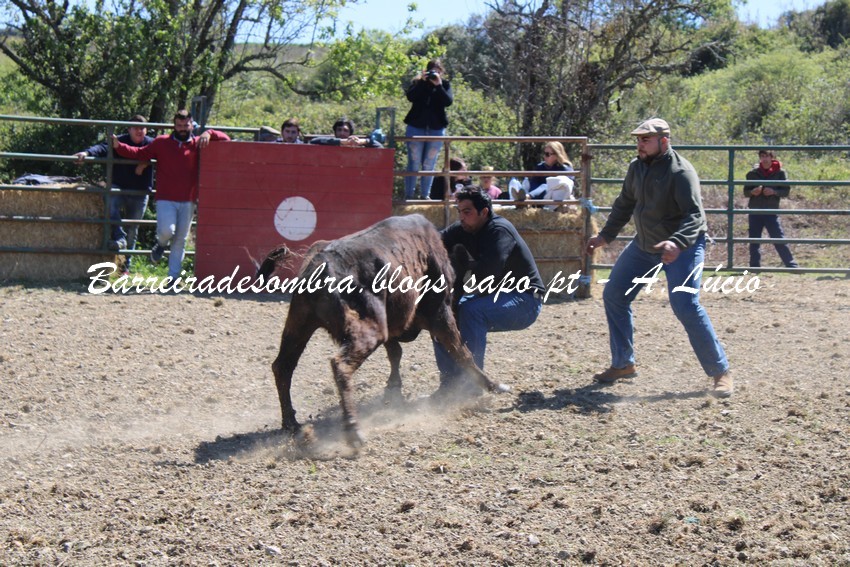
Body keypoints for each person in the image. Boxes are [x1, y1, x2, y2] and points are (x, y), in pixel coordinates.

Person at [585, 118, 733, 397]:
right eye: (638, 140)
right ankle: (623, 363)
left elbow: (694, 215)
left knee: (685, 304)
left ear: (663, 141)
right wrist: (606, 235)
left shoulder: (681, 172)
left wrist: (677, 242)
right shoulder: (636, 167)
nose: (639, 145)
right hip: (646, 244)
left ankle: (720, 371)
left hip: (683, 246)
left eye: (645, 140)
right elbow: (625, 204)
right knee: (614, 294)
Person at [433, 186, 545, 398]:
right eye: (459, 211)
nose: (461, 216)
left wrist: (463, 269)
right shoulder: (464, 228)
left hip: (526, 300)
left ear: (484, 212)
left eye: (467, 211)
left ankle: (471, 387)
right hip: (497, 297)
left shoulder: (499, 230)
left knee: (471, 311)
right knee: (442, 317)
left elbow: (489, 272)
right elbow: (436, 240)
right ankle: (449, 386)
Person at [111, 109, 230, 281]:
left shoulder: (198, 143)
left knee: (180, 239)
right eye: (179, 125)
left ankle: (173, 278)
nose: (182, 128)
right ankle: (160, 244)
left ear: (191, 125)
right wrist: (118, 146)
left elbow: (226, 139)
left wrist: (209, 132)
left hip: (188, 199)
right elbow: (140, 153)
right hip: (165, 198)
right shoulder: (162, 142)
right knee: (167, 231)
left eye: (186, 125)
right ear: (174, 125)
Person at [74, 115, 154, 273]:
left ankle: (125, 268)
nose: (139, 131)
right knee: (110, 202)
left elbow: (162, 153)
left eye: (142, 128)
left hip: (140, 191)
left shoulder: (151, 143)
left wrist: (145, 162)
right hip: (119, 187)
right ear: (129, 129)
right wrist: (86, 153)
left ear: (146, 130)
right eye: (135, 128)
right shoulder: (119, 140)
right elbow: (101, 148)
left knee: (133, 228)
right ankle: (119, 237)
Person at [403, 59, 453, 199]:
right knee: (414, 161)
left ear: (442, 72)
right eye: (432, 71)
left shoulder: (445, 85)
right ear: (426, 71)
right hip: (416, 127)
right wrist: (423, 83)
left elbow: (448, 102)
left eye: (437, 71)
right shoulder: (418, 83)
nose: (434, 74)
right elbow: (410, 97)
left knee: (429, 163)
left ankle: (425, 195)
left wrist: (439, 86)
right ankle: (409, 195)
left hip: (436, 128)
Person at [743, 150, 798, 268]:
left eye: (767, 156)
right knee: (754, 240)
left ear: (772, 157)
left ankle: (791, 265)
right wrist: (753, 192)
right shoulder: (752, 173)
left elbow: (786, 191)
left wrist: (774, 192)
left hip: (771, 210)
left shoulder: (780, 173)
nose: (765, 159)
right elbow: (746, 192)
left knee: (778, 237)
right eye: (762, 156)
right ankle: (754, 266)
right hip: (755, 210)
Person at [308, 117, 383, 148]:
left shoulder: (356, 146)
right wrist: (342, 142)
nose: (342, 133)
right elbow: (313, 141)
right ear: (335, 132)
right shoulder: (330, 144)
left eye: (345, 130)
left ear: (350, 133)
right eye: (339, 130)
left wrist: (362, 141)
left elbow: (380, 147)